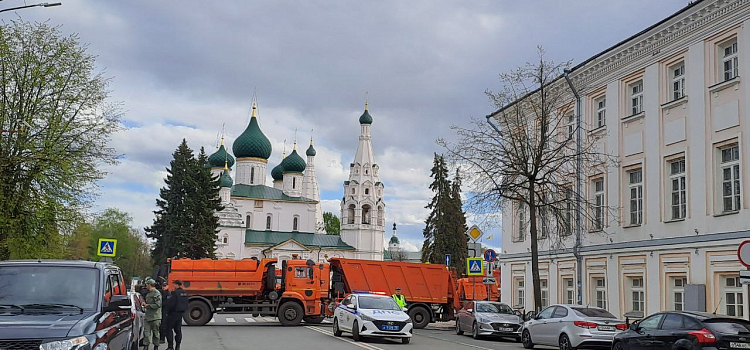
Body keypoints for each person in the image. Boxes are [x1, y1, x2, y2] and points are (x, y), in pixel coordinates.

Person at [164, 280, 188, 350]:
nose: (173, 286)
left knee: (168, 329)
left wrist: (167, 311)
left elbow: (172, 304)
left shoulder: (175, 293)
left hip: (173, 313)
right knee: (178, 330)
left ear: (177, 285)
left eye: (174, 284)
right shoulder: (185, 293)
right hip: (180, 314)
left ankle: (170, 346)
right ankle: (178, 346)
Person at [142, 278, 162, 350]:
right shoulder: (148, 293)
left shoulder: (156, 293)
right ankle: (146, 346)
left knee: (156, 333)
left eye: (147, 284)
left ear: (150, 285)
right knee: (146, 333)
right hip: (148, 317)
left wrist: (148, 305)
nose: (146, 286)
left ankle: (156, 346)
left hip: (155, 317)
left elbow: (158, 304)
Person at [158, 280, 171, 345]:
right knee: (159, 325)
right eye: (163, 286)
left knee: (163, 325)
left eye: (165, 286)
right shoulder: (160, 292)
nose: (163, 287)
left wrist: (160, 304)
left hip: (165, 311)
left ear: (167, 286)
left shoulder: (168, 294)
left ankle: (162, 338)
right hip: (160, 310)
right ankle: (160, 338)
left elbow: (167, 303)